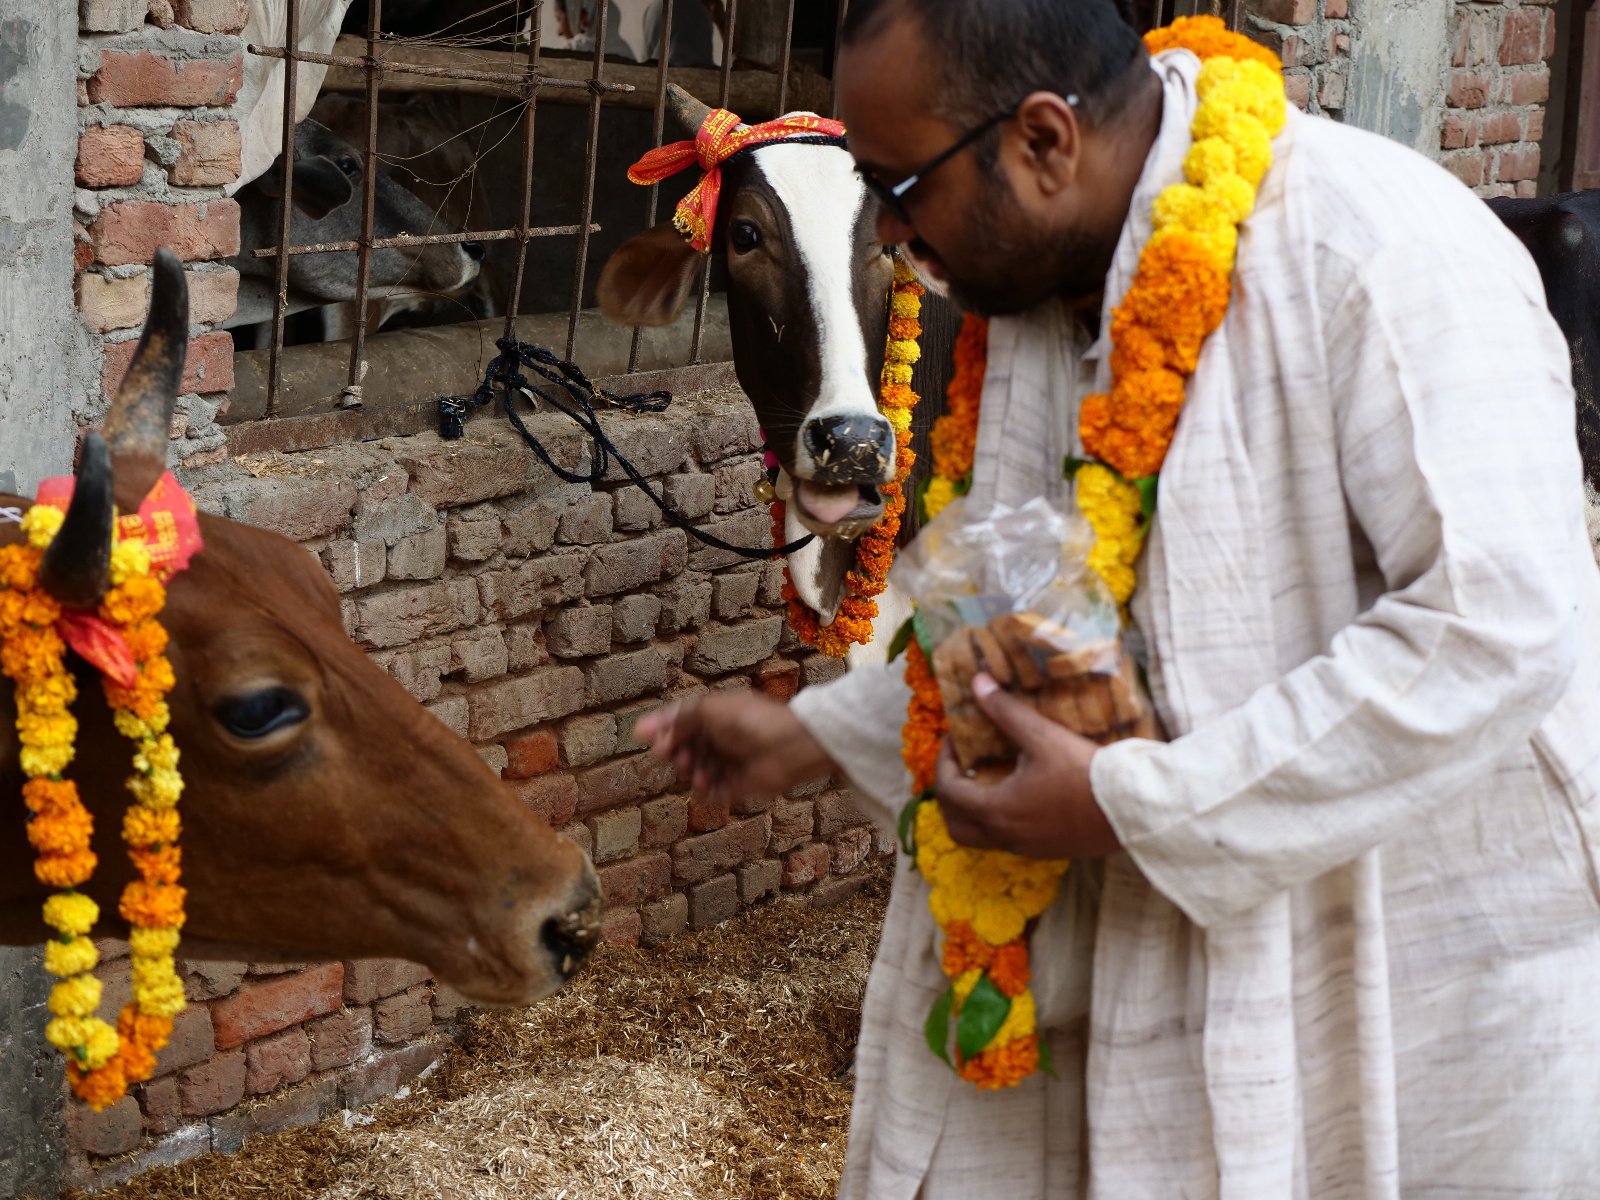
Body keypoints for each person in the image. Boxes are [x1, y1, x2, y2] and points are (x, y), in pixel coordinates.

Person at [636, 1, 1600, 1196]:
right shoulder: (1034, 295)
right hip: (1123, 953)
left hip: (1406, 965)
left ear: (1045, 143)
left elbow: (1493, 630)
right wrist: (817, 734)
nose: (889, 231)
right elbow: (1045, 628)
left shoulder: (1376, 251)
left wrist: (1134, 806)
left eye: (900, 187)